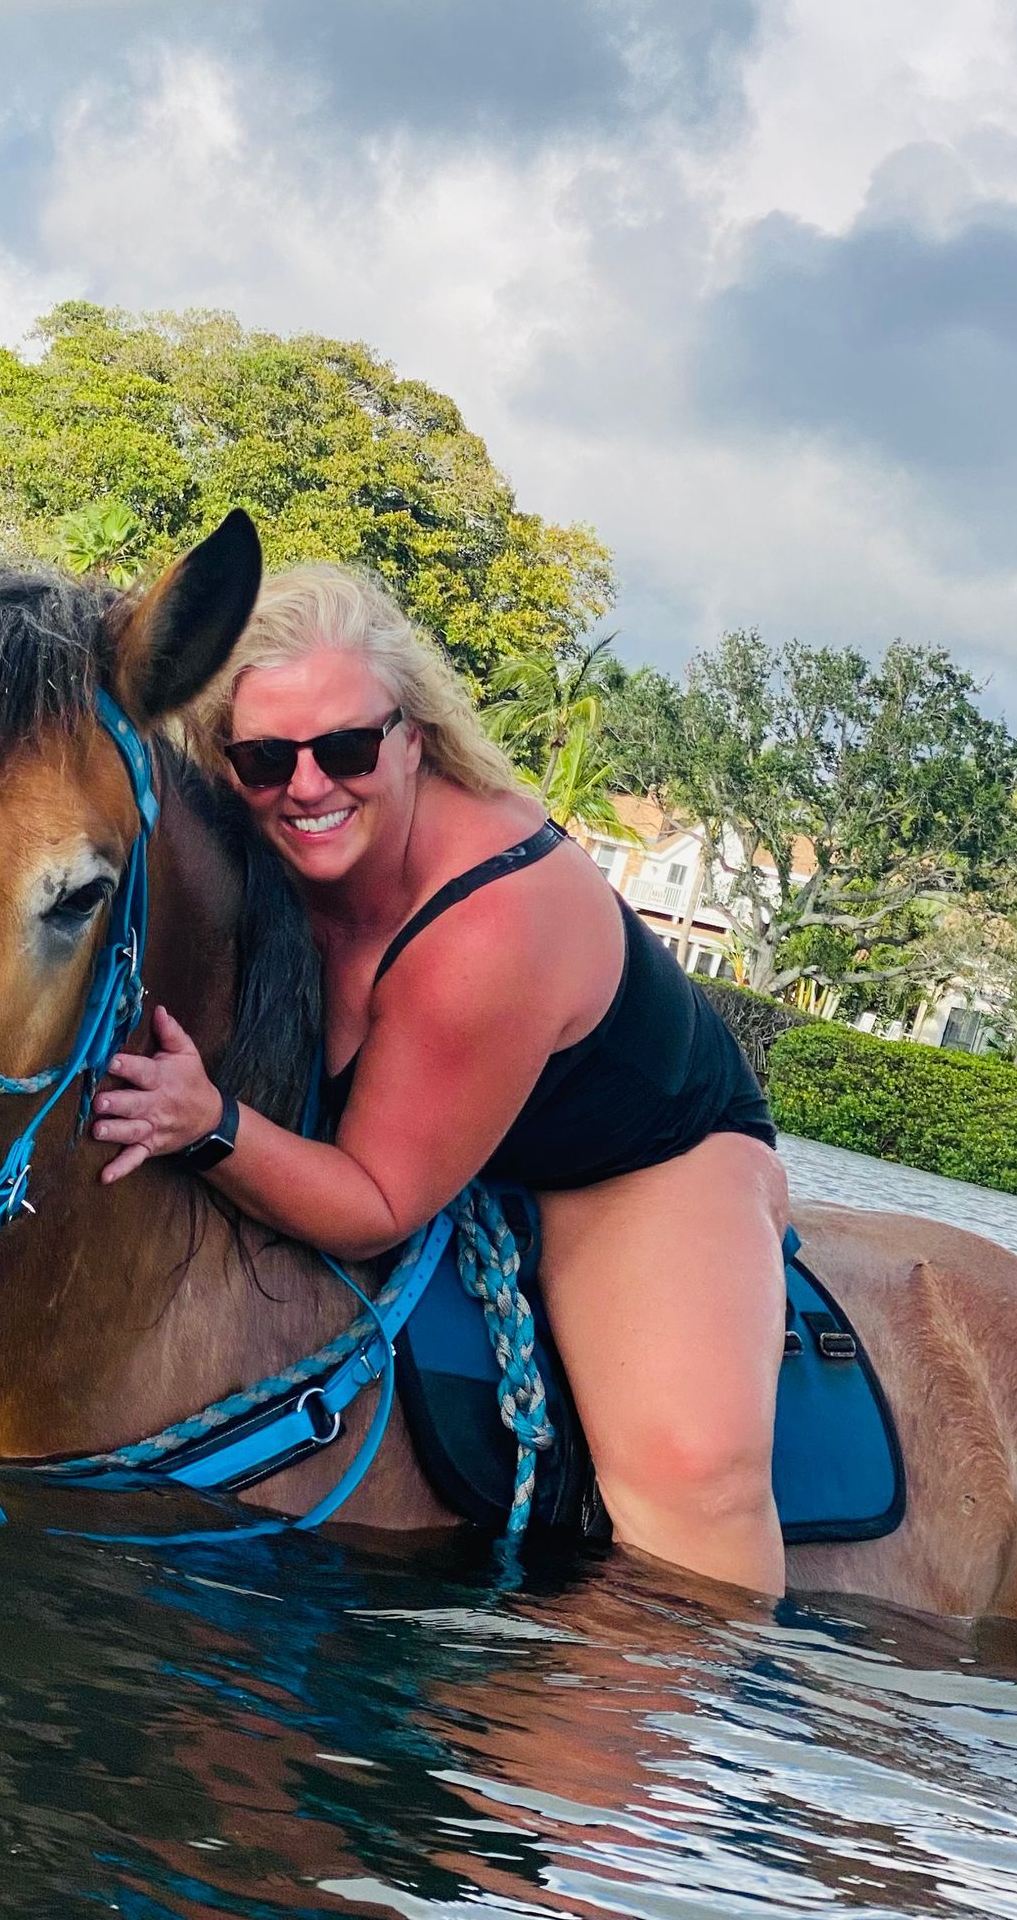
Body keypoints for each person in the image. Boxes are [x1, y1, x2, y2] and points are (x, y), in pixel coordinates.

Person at [91, 566, 790, 1596]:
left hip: (629, 1159)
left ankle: (689, 1681)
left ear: (412, 738)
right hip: (432, 1120)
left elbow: (376, 1202)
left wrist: (209, 1124)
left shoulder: (490, 930)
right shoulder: (265, 829)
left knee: (690, 1473)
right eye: (265, 759)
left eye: (345, 748)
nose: (308, 786)